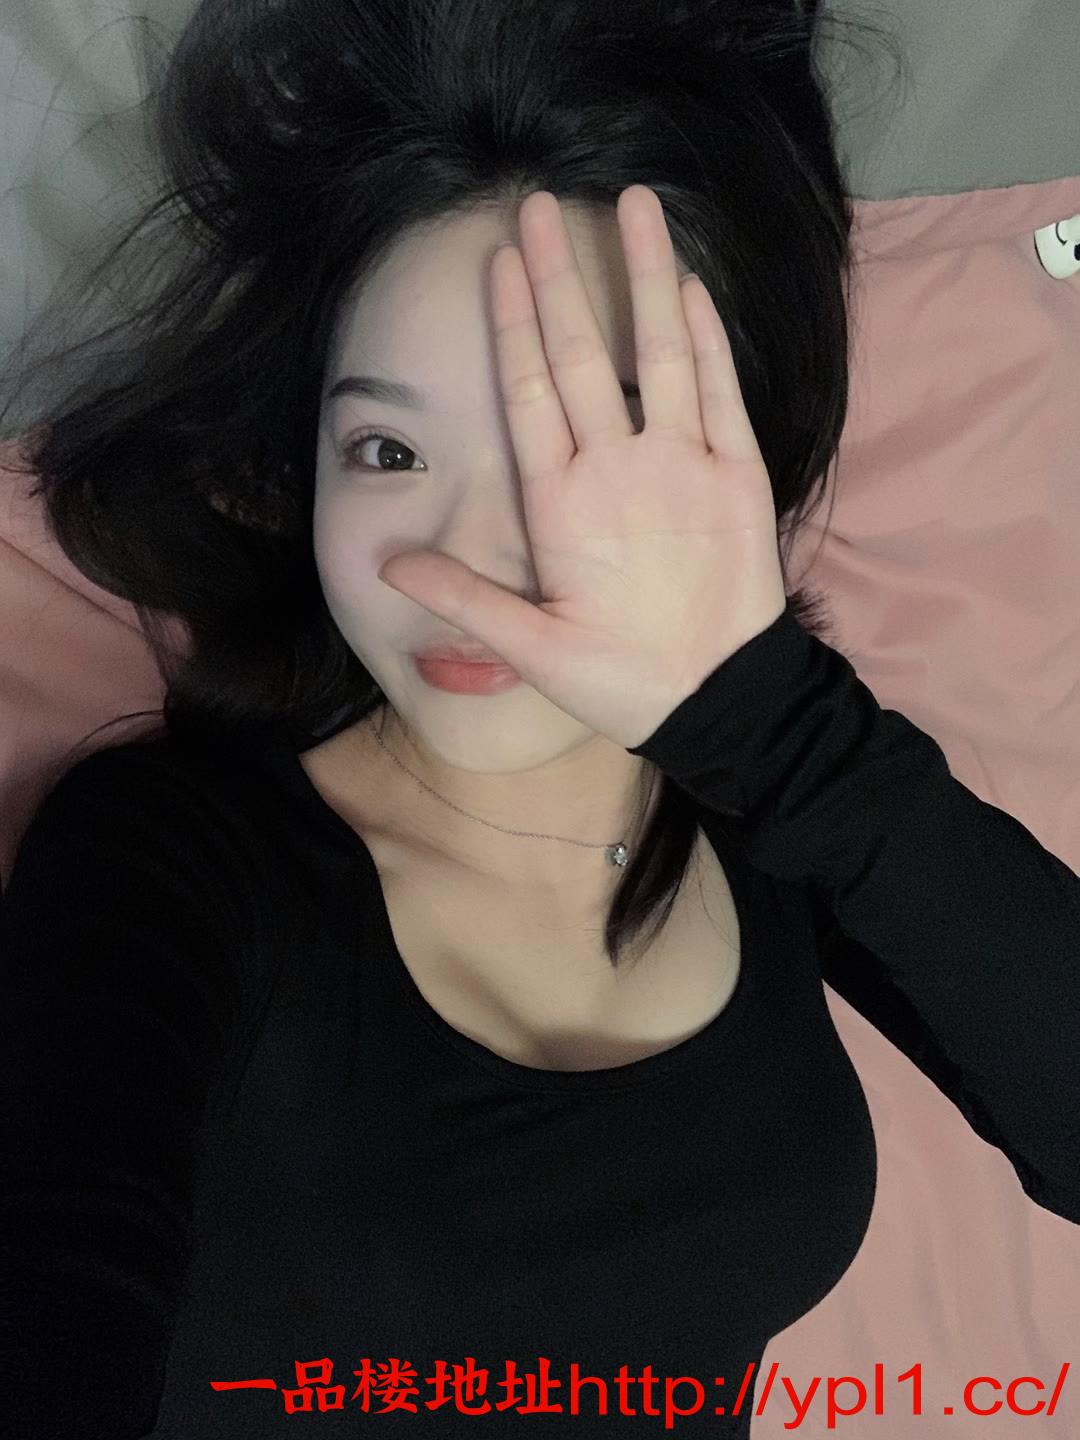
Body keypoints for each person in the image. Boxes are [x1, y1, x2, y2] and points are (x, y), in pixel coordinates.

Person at [1, 1, 1076, 1436]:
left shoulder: (784, 808)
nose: (466, 571)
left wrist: (768, 715)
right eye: (388, 450)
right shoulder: (169, 865)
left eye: (577, 448)